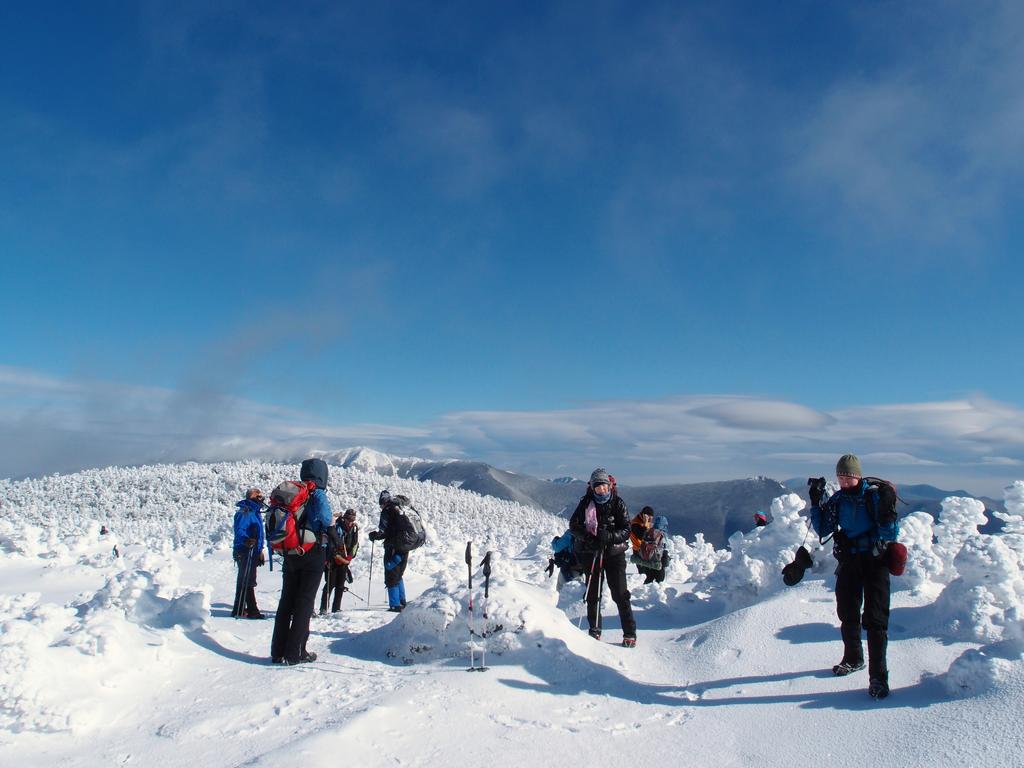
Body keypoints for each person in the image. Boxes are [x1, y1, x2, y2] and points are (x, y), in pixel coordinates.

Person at [810, 454, 900, 700]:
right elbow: (824, 529)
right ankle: (853, 659)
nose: (844, 482)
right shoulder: (839, 499)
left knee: (876, 619)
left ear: (858, 476)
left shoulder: (873, 496)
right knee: (847, 611)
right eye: (840, 477)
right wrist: (816, 504)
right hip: (850, 560)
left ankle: (878, 678)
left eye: (848, 477)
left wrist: (887, 509)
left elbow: (891, 530)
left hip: (875, 562)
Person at [270, 458, 340, 665]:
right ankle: (296, 653)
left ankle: (277, 651)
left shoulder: (292, 492)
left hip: (290, 553)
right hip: (312, 552)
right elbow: (326, 519)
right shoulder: (316, 493)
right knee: (304, 602)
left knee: (286, 602)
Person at [569, 468, 637, 647]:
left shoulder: (617, 503)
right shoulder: (586, 503)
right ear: (592, 488)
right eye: (598, 488)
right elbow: (574, 525)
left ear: (610, 486)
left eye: (604, 487)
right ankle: (595, 629)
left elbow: (626, 530)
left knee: (620, 594)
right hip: (591, 553)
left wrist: (609, 536)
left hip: (614, 554)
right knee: (593, 593)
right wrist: (589, 537)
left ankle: (629, 632)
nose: (602, 491)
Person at [368, 490, 410, 612]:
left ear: (383, 502)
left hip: (393, 547)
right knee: (399, 575)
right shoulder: (400, 509)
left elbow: (384, 531)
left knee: (391, 575)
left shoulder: (387, 511)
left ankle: (395, 605)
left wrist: (374, 536)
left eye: (380, 504)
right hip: (404, 547)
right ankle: (402, 601)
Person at [232, 488, 267, 618]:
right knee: (248, 580)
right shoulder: (245, 512)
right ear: (251, 496)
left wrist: (260, 550)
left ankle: (238, 608)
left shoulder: (254, 512)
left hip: (252, 549)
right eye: (258, 496)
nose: (261, 498)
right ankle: (253, 610)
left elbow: (258, 534)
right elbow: (240, 530)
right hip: (245, 549)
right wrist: (247, 541)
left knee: (244, 579)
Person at [319, 508, 360, 614]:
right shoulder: (337, 527)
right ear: (345, 518)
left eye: (352, 519)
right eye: (348, 519)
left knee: (340, 585)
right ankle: (324, 607)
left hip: (345, 560)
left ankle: (336, 608)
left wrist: (350, 557)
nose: (350, 521)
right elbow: (331, 544)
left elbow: (355, 544)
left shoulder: (354, 529)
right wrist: (337, 556)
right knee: (330, 584)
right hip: (333, 560)